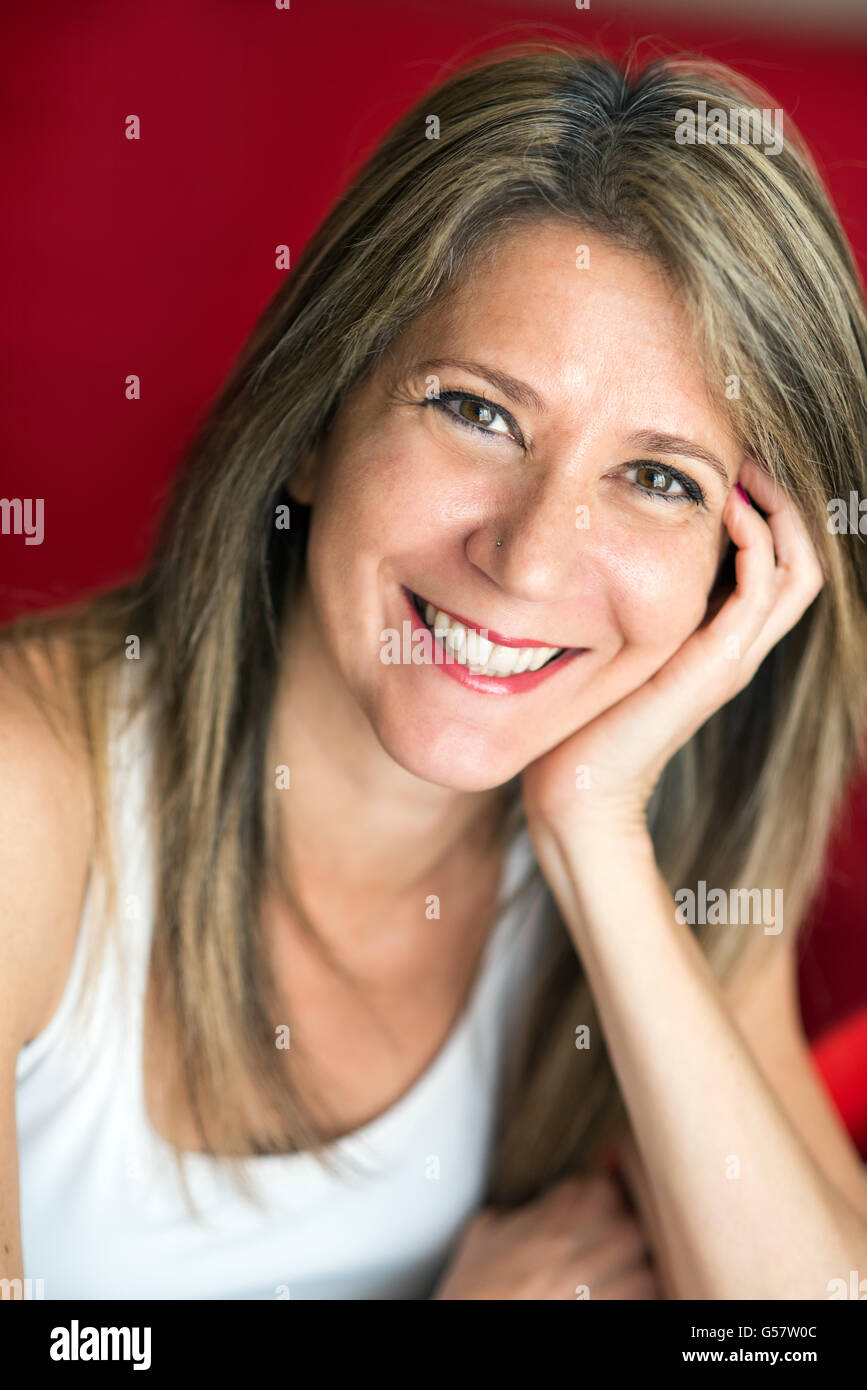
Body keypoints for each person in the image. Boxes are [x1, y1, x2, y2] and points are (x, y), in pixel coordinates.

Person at [3, 42, 867, 1301]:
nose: (525, 560)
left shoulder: (671, 859)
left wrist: (595, 835)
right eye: (478, 411)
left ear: (739, 579)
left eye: (660, 479)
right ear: (315, 421)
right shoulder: (28, 795)